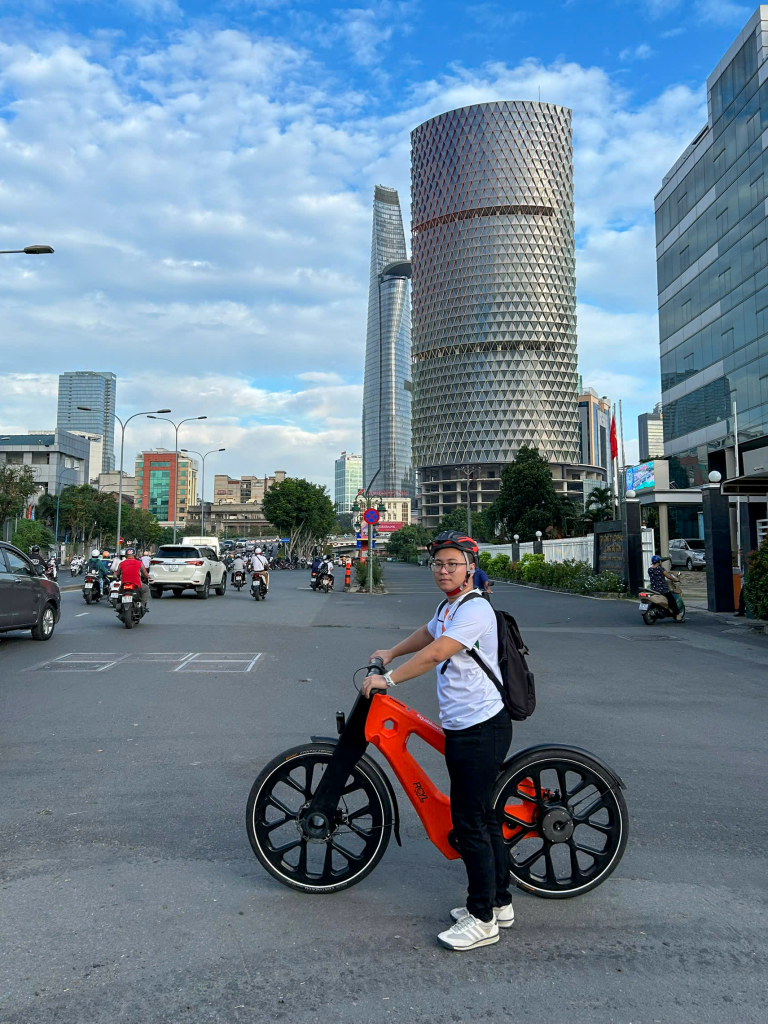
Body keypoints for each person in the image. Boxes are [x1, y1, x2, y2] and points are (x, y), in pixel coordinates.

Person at [362, 529, 512, 952]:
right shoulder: (451, 606)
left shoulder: (476, 610)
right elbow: (426, 634)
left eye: (452, 564)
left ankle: (482, 919)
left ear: (470, 568)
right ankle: (499, 904)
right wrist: (390, 651)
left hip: (481, 727)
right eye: (438, 564)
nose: (443, 571)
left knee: (469, 822)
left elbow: (436, 653)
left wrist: (387, 678)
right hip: (467, 726)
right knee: (483, 817)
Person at [116, 547, 149, 611]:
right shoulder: (139, 563)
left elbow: (118, 574)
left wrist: (118, 578)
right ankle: (143, 605)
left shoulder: (121, 564)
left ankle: (120, 603)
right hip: (136, 584)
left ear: (126, 555)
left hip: (124, 584)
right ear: (134, 555)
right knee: (146, 589)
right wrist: (147, 577)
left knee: (119, 593)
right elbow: (145, 574)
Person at [648, 554, 679, 618]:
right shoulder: (661, 569)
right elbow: (668, 576)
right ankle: (677, 615)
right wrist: (675, 579)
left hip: (653, 588)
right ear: (659, 561)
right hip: (662, 589)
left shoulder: (650, 569)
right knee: (672, 600)